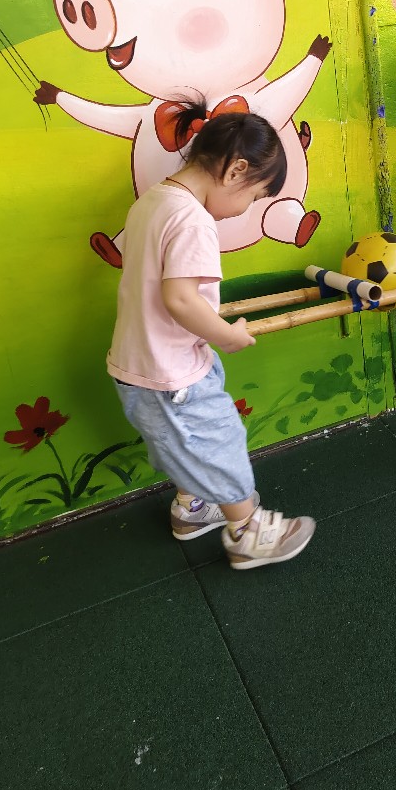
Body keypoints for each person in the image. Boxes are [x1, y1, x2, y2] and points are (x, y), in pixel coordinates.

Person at [108, 110, 315, 570]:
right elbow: (181, 299)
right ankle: (248, 533)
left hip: (144, 362)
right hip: (169, 373)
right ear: (236, 170)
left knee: (191, 443)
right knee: (219, 441)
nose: (247, 209)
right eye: (255, 196)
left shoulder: (153, 201)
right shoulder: (193, 220)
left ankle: (193, 507)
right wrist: (228, 336)